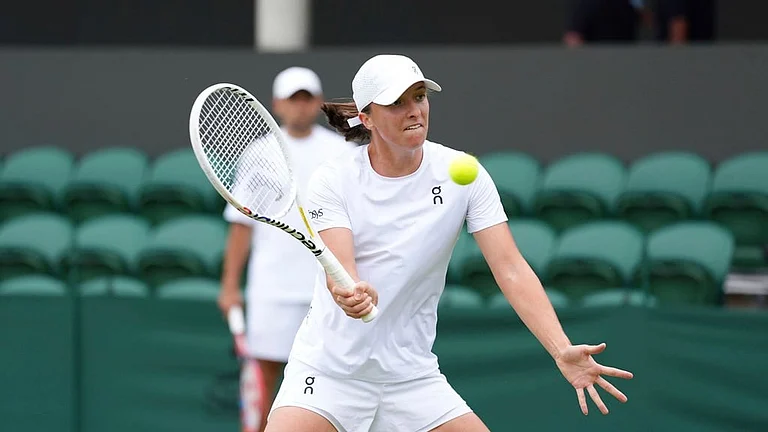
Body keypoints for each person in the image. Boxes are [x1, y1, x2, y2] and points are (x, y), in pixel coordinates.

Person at [264, 54, 634, 432]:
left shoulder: (464, 175)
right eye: (397, 103)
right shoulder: (334, 178)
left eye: (420, 96)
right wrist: (351, 293)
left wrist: (560, 348)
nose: (415, 111)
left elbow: (510, 268)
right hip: (329, 373)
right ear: (367, 117)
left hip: (412, 378)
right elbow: (340, 270)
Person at [217, 66, 357, 432]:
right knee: (265, 377)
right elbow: (242, 225)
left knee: (332, 379)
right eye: (293, 99)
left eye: (307, 98)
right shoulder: (258, 154)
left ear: (317, 104)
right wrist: (230, 285)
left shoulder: (341, 150)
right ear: (277, 104)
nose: (300, 107)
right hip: (272, 287)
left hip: (329, 288)